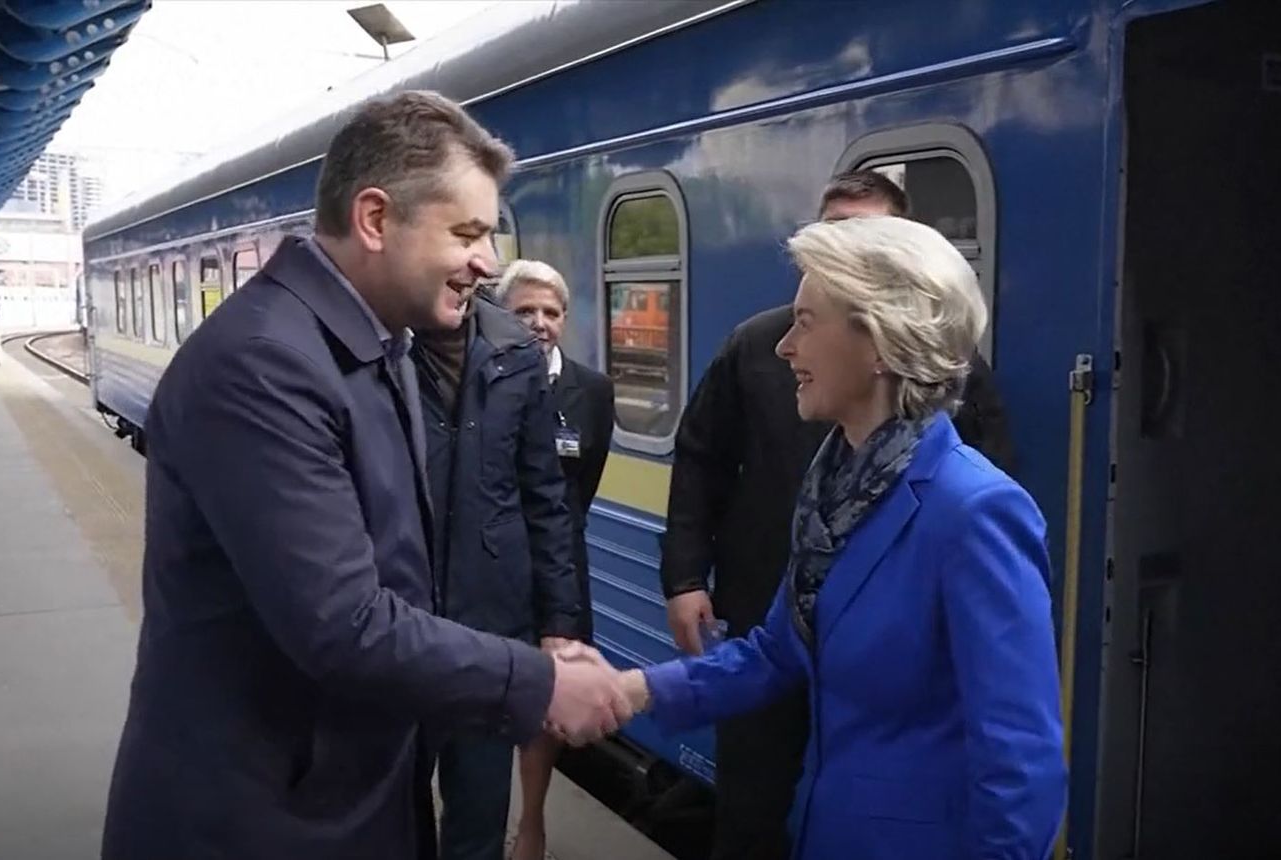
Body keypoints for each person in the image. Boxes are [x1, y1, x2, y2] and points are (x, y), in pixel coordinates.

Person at [100, 90, 630, 860]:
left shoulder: (373, 349)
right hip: (260, 817)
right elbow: (342, 622)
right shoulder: (265, 365)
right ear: (376, 219)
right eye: (467, 234)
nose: (488, 263)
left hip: (336, 795)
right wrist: (537, 681)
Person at [621, 216, 1066, 859]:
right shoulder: (834, 488)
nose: (785, 347)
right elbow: (778, 654)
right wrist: (633, 691)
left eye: (806, 322)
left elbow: (1020, 765)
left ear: (880, 343)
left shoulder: (975, 511)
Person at [410, 271, 582, 860]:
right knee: (389, 809)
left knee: (480, 808)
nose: (480, 259)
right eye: (463, 236)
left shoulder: (514, 352)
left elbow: (545, 496)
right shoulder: (379, 344)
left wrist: (558, 622)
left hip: (491, 626)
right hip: (396, 619)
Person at [493, 260, 616, 860]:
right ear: (501, 317)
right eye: (524, 311)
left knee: (549, 696)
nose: (539, 322)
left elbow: (581, 486)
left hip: (561, 569)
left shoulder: (593, 391)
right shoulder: (481, 380)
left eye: (550, 312)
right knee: (490, 693)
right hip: (492, 565)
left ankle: (533, 822)